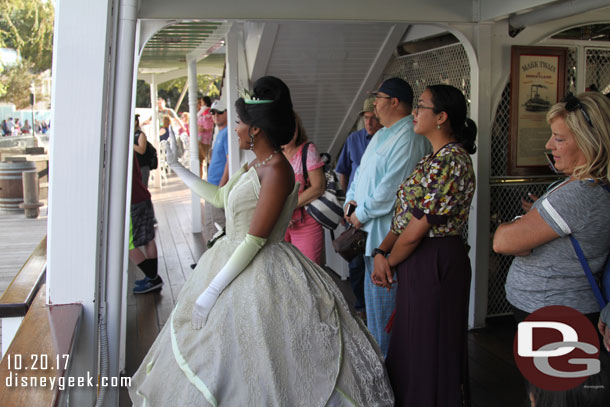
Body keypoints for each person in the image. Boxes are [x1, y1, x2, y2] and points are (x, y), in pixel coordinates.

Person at [129, 76, 394, 406]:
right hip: (231, 256)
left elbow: (255, 240)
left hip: (259, 266)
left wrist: (211, 292)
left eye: (240, 122)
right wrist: (177, 169)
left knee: (271, 357)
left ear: (255, 129)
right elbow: (220, 196)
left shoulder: (278, 170)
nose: (235, 128)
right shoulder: (258, 162)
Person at [371, 84, 477, 406]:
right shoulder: (432, 158)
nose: (414, 113)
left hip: (436, 259)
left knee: (431, 346)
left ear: (442, 117)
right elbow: (403, 219)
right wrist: (380, 251)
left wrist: (389, 260)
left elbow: (417, 230)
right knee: (411, 343)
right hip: (415, 256)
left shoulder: (452, 161)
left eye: (421, 107)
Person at [494, 92, 610, 325]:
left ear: (588, 141)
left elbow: (502, 241)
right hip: (554, 309)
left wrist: (520, 228)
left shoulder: (580, 194)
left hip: (554, 313)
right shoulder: (589, 187)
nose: (548, 145)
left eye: (558, 138)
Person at [344, 77, 431, 355]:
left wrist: (362, 214)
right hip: (370, 236)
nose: (375, 105)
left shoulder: (409, 136)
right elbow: (360, 173)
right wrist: (350, 203)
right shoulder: (382, 134)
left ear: (394, 102)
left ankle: (390, 373)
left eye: (379, 98)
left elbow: (393, 188)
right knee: (374, 310)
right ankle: (381, 365)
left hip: (387, 237)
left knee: (387, 313)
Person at [336, 96, 382, 320]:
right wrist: (347, 201)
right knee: (355, 262)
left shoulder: (386, 141)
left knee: (374, 260)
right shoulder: (354, 139)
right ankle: (361, 305)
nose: (369, 123)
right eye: (366, 118)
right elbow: (343, 170)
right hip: (354, 211)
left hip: (376, 215)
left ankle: (373, 309)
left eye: (374, 118)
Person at [281, 113, 326, 264]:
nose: (289, 131)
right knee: (283, 276)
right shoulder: (274, 155)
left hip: (306, 223)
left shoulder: (307, 150)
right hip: (280, 225)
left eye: (292, 127)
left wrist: (288, 208)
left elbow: (318, 187)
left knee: (307, 275)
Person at [130, 152, 163, 294]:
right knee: (149, 239)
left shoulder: (120, 151)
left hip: (133, 202)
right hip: (142, 196)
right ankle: (152, 278)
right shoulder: (130, 151)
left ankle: (153, 278)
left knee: (128, 244)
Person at [203, 97, 229, 243]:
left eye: (219, 112)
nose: (215, 115)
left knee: (215, 226)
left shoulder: (226, 133)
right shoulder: (220, 133)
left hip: (216, 187)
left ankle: (213, 262)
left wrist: (221, 186)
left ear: (226, 113)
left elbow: (229, 161)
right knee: (212, 225)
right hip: (212, 184)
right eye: (213, 113)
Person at [197, 95, 214, 176]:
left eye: (202, 102)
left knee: (208, 159)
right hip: (200, 139)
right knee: (199, 160)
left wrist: (204, 128)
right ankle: (200, 177)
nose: (200, 104)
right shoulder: (201, 113)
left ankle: (209, 177)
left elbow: (210, 125)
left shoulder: (209, 112)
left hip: (206, 139)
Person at [133, 114, 151, 187]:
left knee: (142, 187)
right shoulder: (129, 134)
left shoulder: (140, 135)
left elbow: (142, 150)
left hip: (142, 167)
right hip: (134, 167)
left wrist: (132, 145)